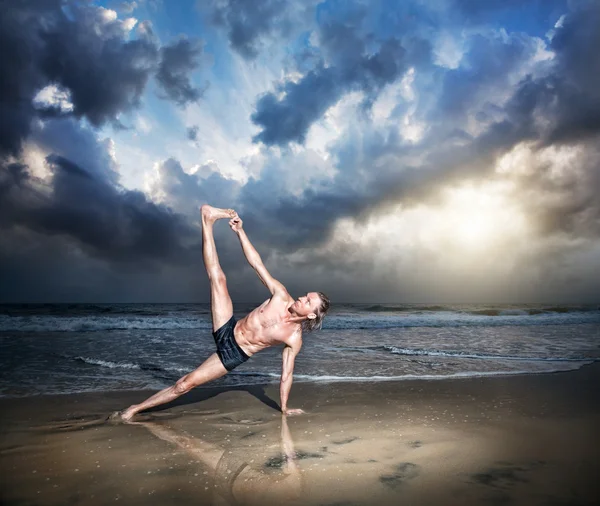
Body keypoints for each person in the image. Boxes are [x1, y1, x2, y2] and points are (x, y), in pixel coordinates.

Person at [116, 205, 330, 421]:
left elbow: (287, 374)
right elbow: (256, 263)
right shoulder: (281, 295)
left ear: (311, 315)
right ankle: (207, 219)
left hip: (233, 354)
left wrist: (284, 408)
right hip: (227, 327)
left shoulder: (294, 339)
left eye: (308, 300)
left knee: (184, 384)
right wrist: (240, 232)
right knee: (218, 279)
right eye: (305, 295)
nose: (302, 298)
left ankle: (134, 409)